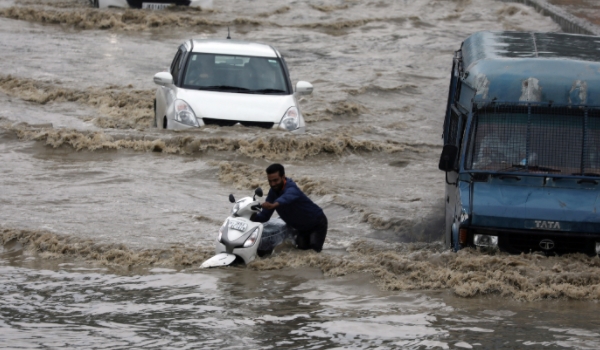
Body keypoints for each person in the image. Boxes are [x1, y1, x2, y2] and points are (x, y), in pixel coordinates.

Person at [251, 163, 328, 253]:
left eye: (275, 180)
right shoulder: (273, 192)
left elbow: (287, 197)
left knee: (313, 253)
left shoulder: (291, 188)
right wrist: (250, 217)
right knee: (301, 253)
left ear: (283, 177)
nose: (273, 184)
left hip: (316, 223)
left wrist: (274, 205)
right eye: (270, 181)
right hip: (301, 228)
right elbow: (265, 216)